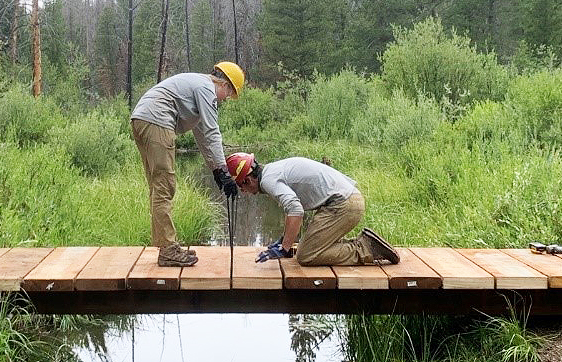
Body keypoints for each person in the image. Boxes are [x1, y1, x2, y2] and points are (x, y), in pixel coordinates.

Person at [130, 61, 245, 267]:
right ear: (225, 85)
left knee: (158, 187)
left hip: (141, 119)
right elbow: (212, 133)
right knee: (165, 186)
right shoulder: (206, 89)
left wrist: (217, 170)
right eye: (229, 94)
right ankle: (168, 250)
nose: (226, 99)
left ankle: (166, 247)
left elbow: (202, 137)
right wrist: (227, 173)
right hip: (157, 121)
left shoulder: (198, 87)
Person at [225, 152, 400, 267]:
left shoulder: (267, 181)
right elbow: (293, 209)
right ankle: (364, 244)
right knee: (309, 249)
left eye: (241, 187)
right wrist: (283, 240)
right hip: (346, 200)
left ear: (247, 180)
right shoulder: (272, 171)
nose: (243, 191)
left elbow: (295, 209)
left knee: (306, 256)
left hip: (343, 205)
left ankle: (366, 248)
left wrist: (284, 248)